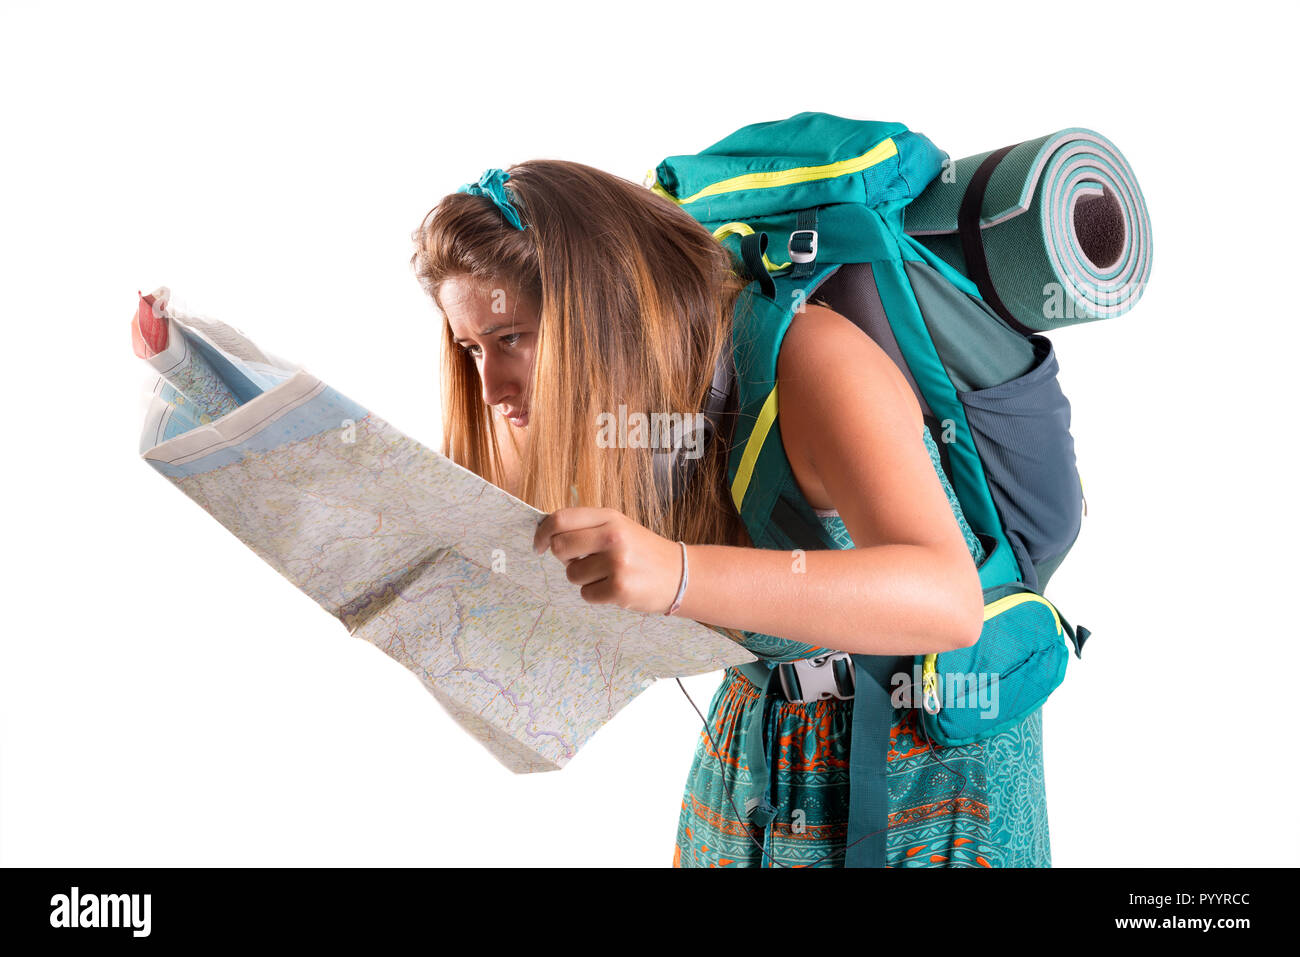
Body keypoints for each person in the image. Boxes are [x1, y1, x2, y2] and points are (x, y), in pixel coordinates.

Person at [409, 161, 1051, 868]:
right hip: (752, 744)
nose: (490, 387)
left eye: (511, 338)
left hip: (924, 761)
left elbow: (948, 601)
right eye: (471, 347)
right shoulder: (602, 409)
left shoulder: (813, 358)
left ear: (602, 308)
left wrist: (678, 574)